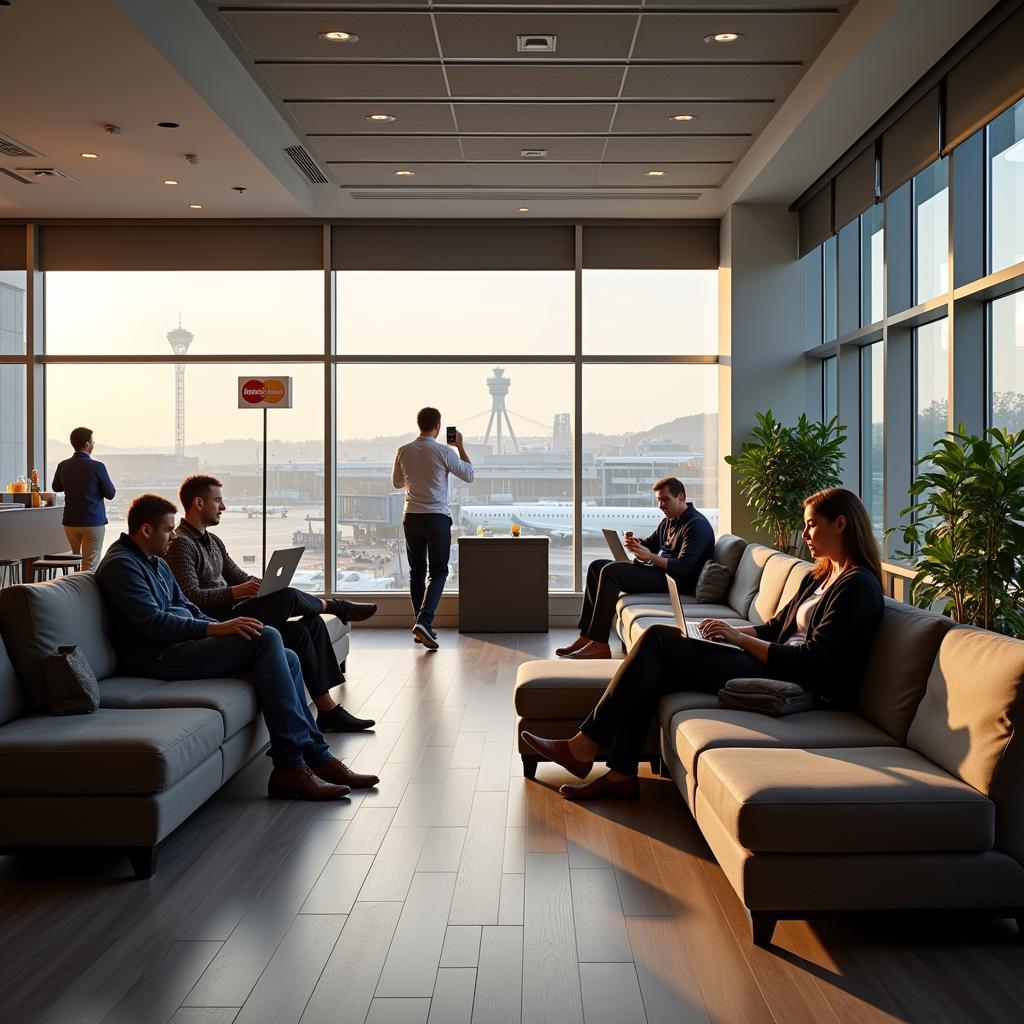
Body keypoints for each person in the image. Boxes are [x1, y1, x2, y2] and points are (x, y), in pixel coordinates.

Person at [524, 488, 884, 801]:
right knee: (657, 671)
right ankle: (619, 774)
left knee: (657, 641)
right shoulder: (821, 574)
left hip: (798, 684)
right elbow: (776, 627)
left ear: (840, 524)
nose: (804, 532)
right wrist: (728, 631)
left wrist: (740, 639)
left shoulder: (857, 587)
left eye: (812, 524)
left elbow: (813, 661)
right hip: (773, 661)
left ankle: (584, 746)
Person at [96, 494, 378, 801]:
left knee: (289, 656)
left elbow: (187, 606)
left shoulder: (155, 563)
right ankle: (289, 766)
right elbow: (153, 623)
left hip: (185, 643)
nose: (173, 536)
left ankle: (317, 756)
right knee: (268, 636)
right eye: (168, 529)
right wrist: (215, 628)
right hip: (155, 657)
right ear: (146, 530)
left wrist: (217, 627)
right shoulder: (121, 566)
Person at [166, 474, 376, 734]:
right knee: (288, 597)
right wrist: (236, 592)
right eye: (218, 500)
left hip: (234, 612)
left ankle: (327, 710)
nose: (224, 507)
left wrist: (264, 587)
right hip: (219, 624)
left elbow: (240, 577)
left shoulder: (213, 542)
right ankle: (338, 606)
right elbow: (191, 598)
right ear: (198, 503)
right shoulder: (180, 545)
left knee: (308, 627)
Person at [557, 477, 715, 661]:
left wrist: (650, 557)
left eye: (665, 500)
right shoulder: (669, 521)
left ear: (681, 497)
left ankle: (600, 644)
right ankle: (587, 637)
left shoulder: (696, 525)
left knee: (611, 572)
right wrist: (636, 544)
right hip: (661, 574)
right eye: (658, 500)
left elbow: (684, 567)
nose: (660, 505)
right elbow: (651, 544)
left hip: (677, 582)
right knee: (596, 566)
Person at [392, 407, 474, 650]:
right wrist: (460, 446)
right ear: (438, 426)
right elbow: (469, 475)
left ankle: (421, 627)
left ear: (419, 425)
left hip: (412, 517)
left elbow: (397, 482)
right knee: (438, 573)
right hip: (436, 518)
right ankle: (424, 622)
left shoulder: (403, 451)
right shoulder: (444, 451)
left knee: (416, 573)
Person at [50, 427, 116, 572]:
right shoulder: (98, 467)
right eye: (92, 442)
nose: (93, 444)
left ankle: (76, 590)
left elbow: (56, 487)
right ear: (87, 444)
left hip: (70, 522)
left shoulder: (63, 465)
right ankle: (86, 593)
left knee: (76, 559)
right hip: (92, 521)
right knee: (90, 563)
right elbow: (110, 494)